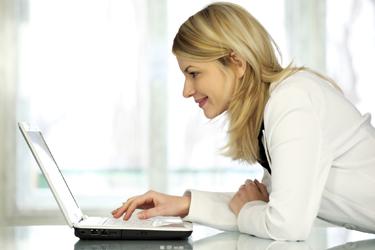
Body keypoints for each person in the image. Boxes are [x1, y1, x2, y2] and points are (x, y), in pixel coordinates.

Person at [112, 2, 375, 241]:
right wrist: (185, 204)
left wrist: (250, 209)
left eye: (193, 73)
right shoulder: (279, 104)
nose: (186, 90)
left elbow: (285, 225)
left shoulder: (292, 102)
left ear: (236, 62)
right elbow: (264, 207)